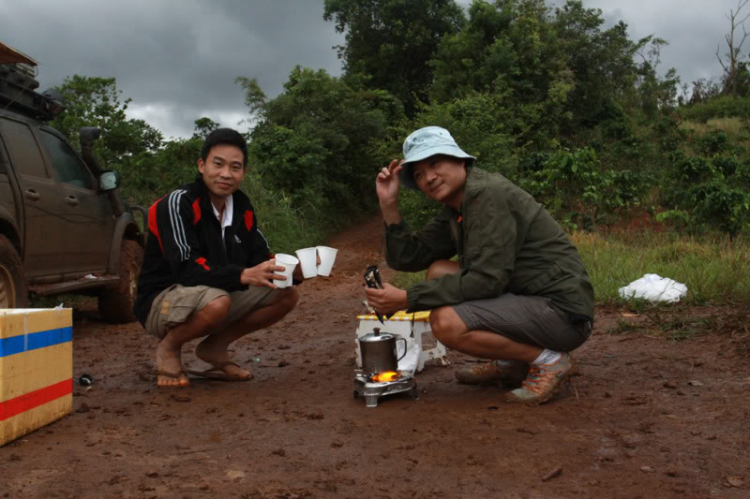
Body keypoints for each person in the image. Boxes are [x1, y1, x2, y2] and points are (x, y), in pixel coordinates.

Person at [365, 126, 594, 404]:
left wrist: (406, 299)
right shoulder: (458, 207)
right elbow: (408, 257)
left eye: (434, 163)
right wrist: (389, 205)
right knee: (438, 269)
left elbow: (487, 281)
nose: (429, 177)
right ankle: (511, 361)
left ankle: (550, 360)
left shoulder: (487, 196)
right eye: (418, 174)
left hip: (562, 314)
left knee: (446, 322)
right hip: (528, 299)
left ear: (459, 159)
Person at [134, 128, 304, 388]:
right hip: (162, 300)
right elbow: (186, 269)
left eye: (235, 167)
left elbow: (260, 259)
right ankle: (168, 347)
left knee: (287, 292)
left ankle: (215, 348)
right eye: (218, 164)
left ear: (243, 173)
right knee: (217, 301)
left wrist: (296, 270)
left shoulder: (241, 208)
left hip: (214, 294)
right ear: (202, 165)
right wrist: (242, 275)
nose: (226, 174)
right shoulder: (177, 203)